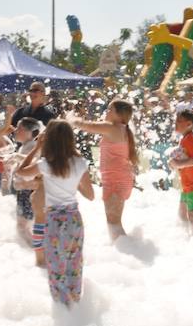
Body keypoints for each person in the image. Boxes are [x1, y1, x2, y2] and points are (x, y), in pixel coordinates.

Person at [16, 120, 94, 307]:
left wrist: (36, 149)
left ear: (48, 139)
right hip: (73, 218)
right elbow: (90, 195)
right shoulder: (80, 163)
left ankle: (61, 308)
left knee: (55, 266)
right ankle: (75, 307)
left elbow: (20, 172)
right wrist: (73, 185)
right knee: (74, 264)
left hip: (53, 219)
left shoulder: (45, 164)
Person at [71, 99, 138, 241]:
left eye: (110, 109)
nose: (106, 112)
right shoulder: (121, 129)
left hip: (117, 179)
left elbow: (87, 125)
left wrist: (71, 120)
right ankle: (122, 251)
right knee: (112, 221)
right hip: (116, 178)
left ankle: (128, 253)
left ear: (120, 115)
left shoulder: (112, 127)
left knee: (113, 221)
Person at [10, 117, 42, 249]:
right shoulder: (25, 146)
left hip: (29, 193)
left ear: (30, 132)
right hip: (25, 193)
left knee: (23, 227)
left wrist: (22, 185)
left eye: (20, 128)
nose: (16, 131)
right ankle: (34, 253)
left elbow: (35, 167)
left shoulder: (33, 147)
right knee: (24, 227)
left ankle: (36, 252)